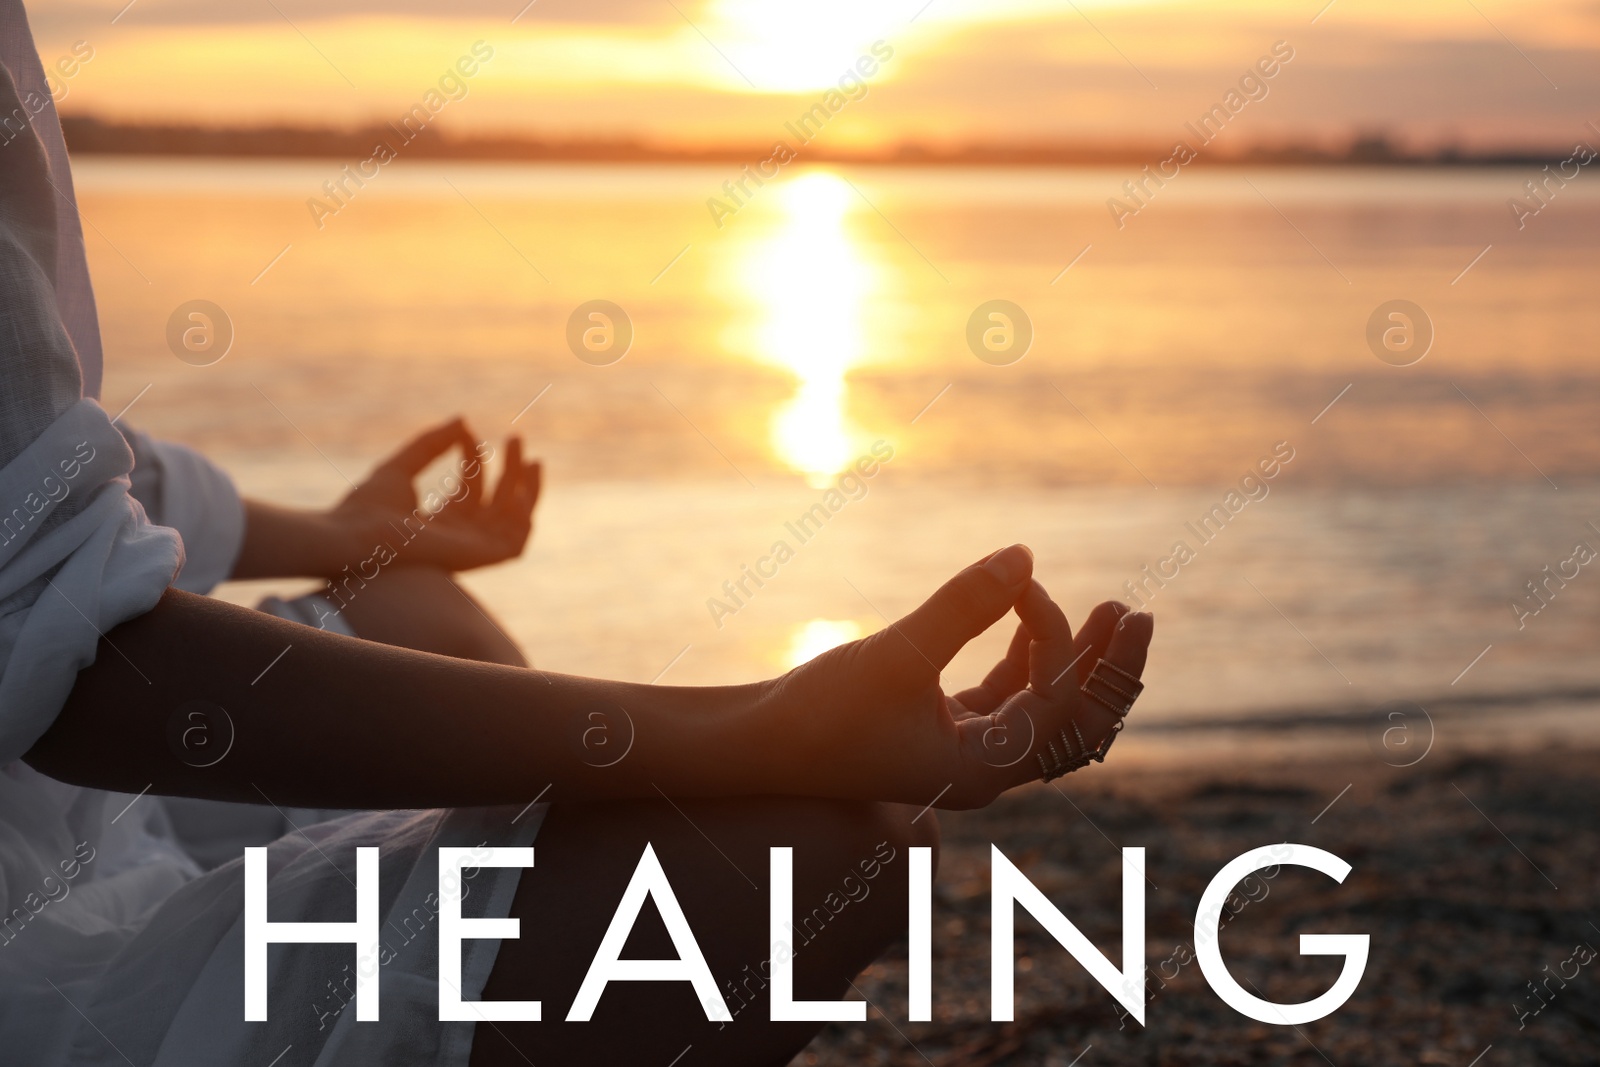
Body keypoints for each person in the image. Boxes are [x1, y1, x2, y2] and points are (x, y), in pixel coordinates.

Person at [0, 10, 1154, 1067]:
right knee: (823, 844)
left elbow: (56, 486)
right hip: (32, 933)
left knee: (416, 607)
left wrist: (355, 533)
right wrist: (762, 728)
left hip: (90, 826)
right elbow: (84, 676)